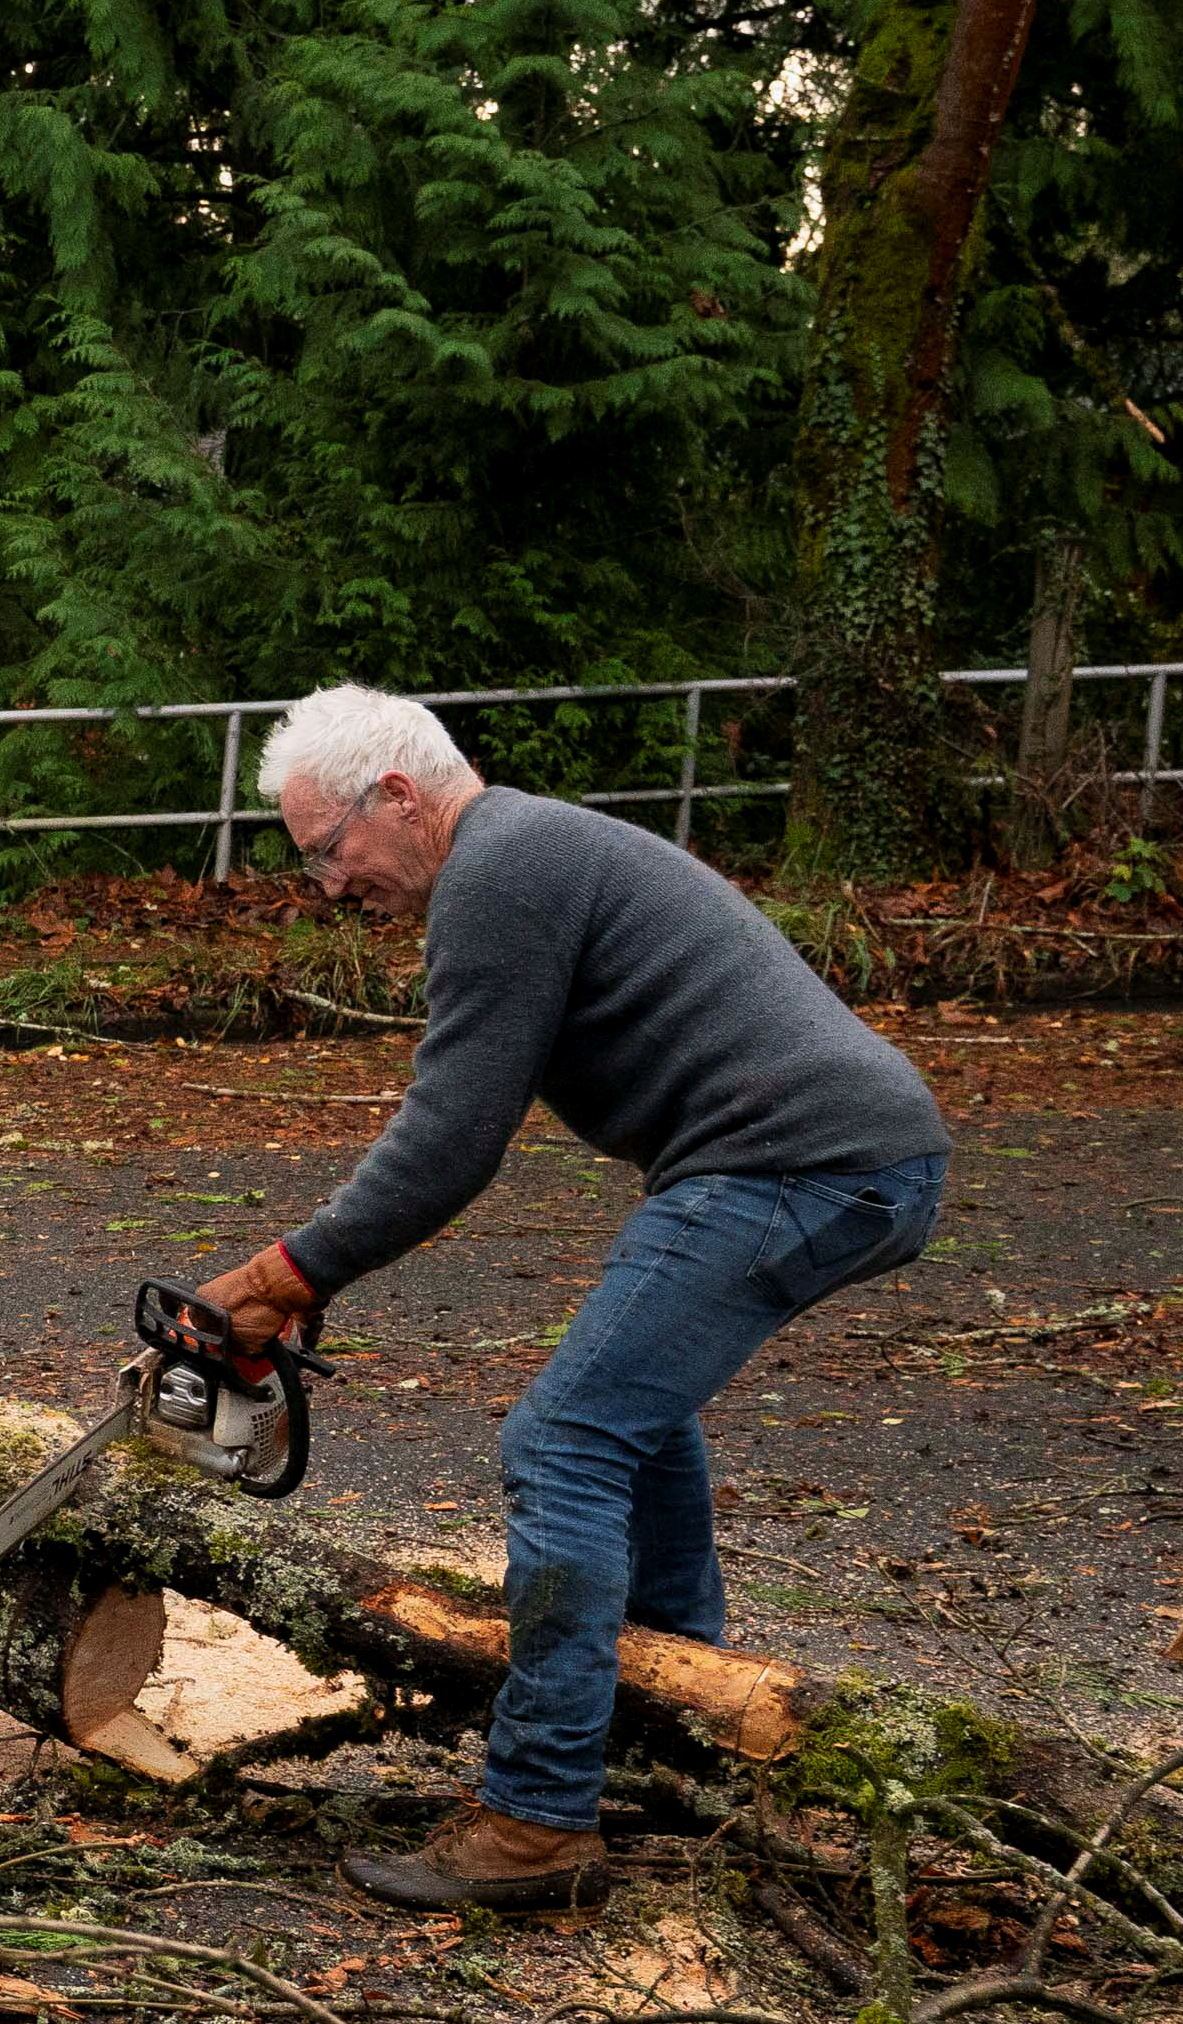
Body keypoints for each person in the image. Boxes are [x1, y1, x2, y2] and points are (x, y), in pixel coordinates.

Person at [196, 685, 951, 1911]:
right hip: (831, 1155)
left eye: (329, 850)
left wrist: (285, 1274)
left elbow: (450, 1137)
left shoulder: (504, 869)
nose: (330, 886)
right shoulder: (528, 851)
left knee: (563, 1440)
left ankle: (539, 1818)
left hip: (802, 1162)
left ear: (398, 795)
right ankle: (679, 1722)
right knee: (631, 1416)